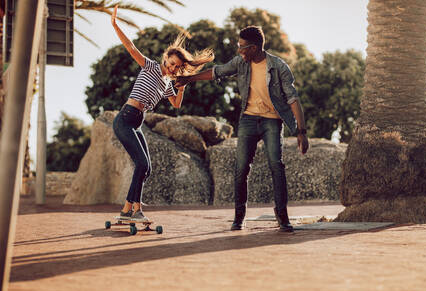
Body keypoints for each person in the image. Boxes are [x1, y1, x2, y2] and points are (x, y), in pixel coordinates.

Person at [176, 26, 309, 232]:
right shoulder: (241, 62)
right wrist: (188, 79)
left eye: (242, 47)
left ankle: (282, 216)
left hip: (272, 121)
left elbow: (293, 99)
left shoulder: (278, 66)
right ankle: (239, 217)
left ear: (254, 48)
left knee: (277, 165)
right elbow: (217, 71)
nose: (239, 51)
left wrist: (302, 132)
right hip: (248, 119)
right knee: (241, 168)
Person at [111, 5, 214, 220]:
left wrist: (182, 87)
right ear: (165, 57)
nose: (174, 68)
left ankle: (125, 210)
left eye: (177, 67)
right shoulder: (150, 67)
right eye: (172, 63)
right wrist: (115, 25)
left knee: (146, 169)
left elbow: (176, 104)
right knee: (141, 163)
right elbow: (130, 47)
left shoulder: (168, 83)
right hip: (126, 118)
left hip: (138, 122)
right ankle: (136, 210)